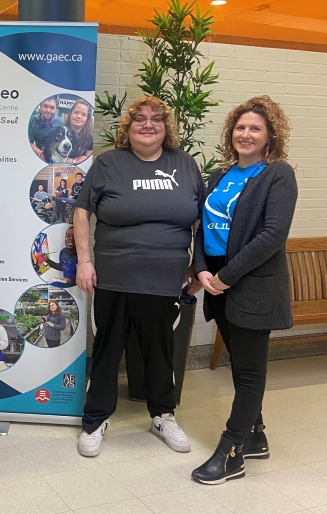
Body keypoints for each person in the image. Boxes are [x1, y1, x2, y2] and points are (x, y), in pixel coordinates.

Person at [74, 96, 204, 457]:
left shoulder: (185, 165)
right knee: (106, 350)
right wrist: (85, 261)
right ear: (126, 129)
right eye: (139, 120)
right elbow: (82, 212)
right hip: (114, 276)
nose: (148, 125)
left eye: (156, 120)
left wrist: (200, 265)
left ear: (167, 128)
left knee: (160, 351)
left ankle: (163, 414)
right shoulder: (109, 163)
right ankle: (95, 419)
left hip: (165, 279)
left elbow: (200, 222)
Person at [191, 96, 297, 485]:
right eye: (240, 127)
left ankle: (232, 452)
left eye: (255, 128)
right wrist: (203, 270)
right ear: (231, 133)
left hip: (249, 284)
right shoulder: (221, 176)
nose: (246, 134)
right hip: (217, 282)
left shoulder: (278, 174)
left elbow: (272, 236)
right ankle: (258, 435)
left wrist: (226, 277)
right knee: (242, 365)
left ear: (270, 136)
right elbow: (202, 228)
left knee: (250, 373)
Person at [29, 96, 62, 160]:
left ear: (56, 109)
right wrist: (40, 153)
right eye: (45, 106)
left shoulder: (61, 122)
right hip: (39, 157)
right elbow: (30, 143)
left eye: (52, 108)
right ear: (40, 106)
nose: (48, 110)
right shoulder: (32, 121)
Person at [66, 99, 94, 164]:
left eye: (83, 115)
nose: (79, 116)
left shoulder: (90, 137)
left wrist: (73, 161)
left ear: (87, 119)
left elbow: (87, 156)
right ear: (70, 114)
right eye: (76, 112)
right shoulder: (60, 131)